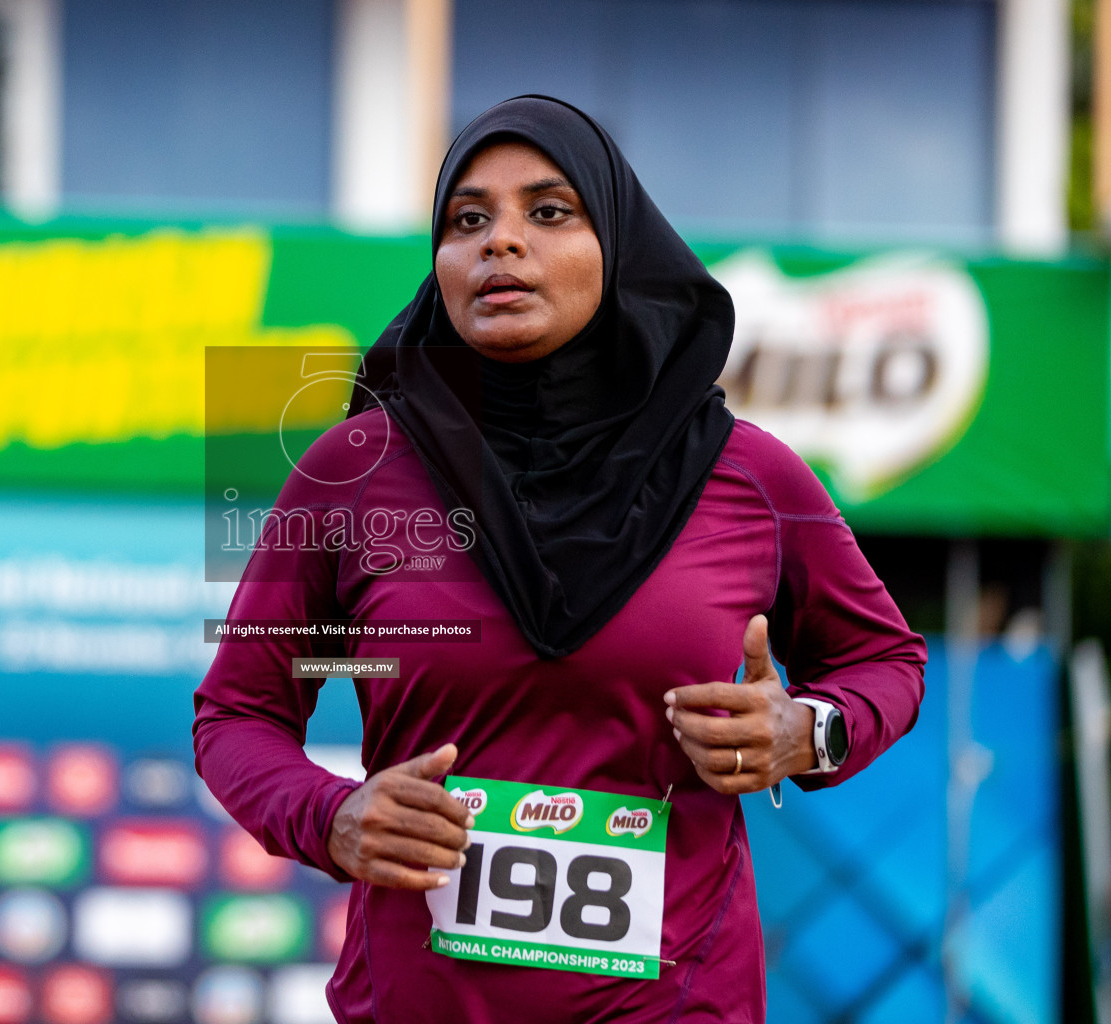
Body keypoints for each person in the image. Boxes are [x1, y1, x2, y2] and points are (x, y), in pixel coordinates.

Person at [192, 95, 925, 1022]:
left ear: (617, 247)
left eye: (548, 211)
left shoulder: (750, 474)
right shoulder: (354, 470)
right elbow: (237, 712)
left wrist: (806, 730)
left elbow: (886, 660)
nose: (500, 242)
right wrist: (329, 816)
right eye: (468, 220)